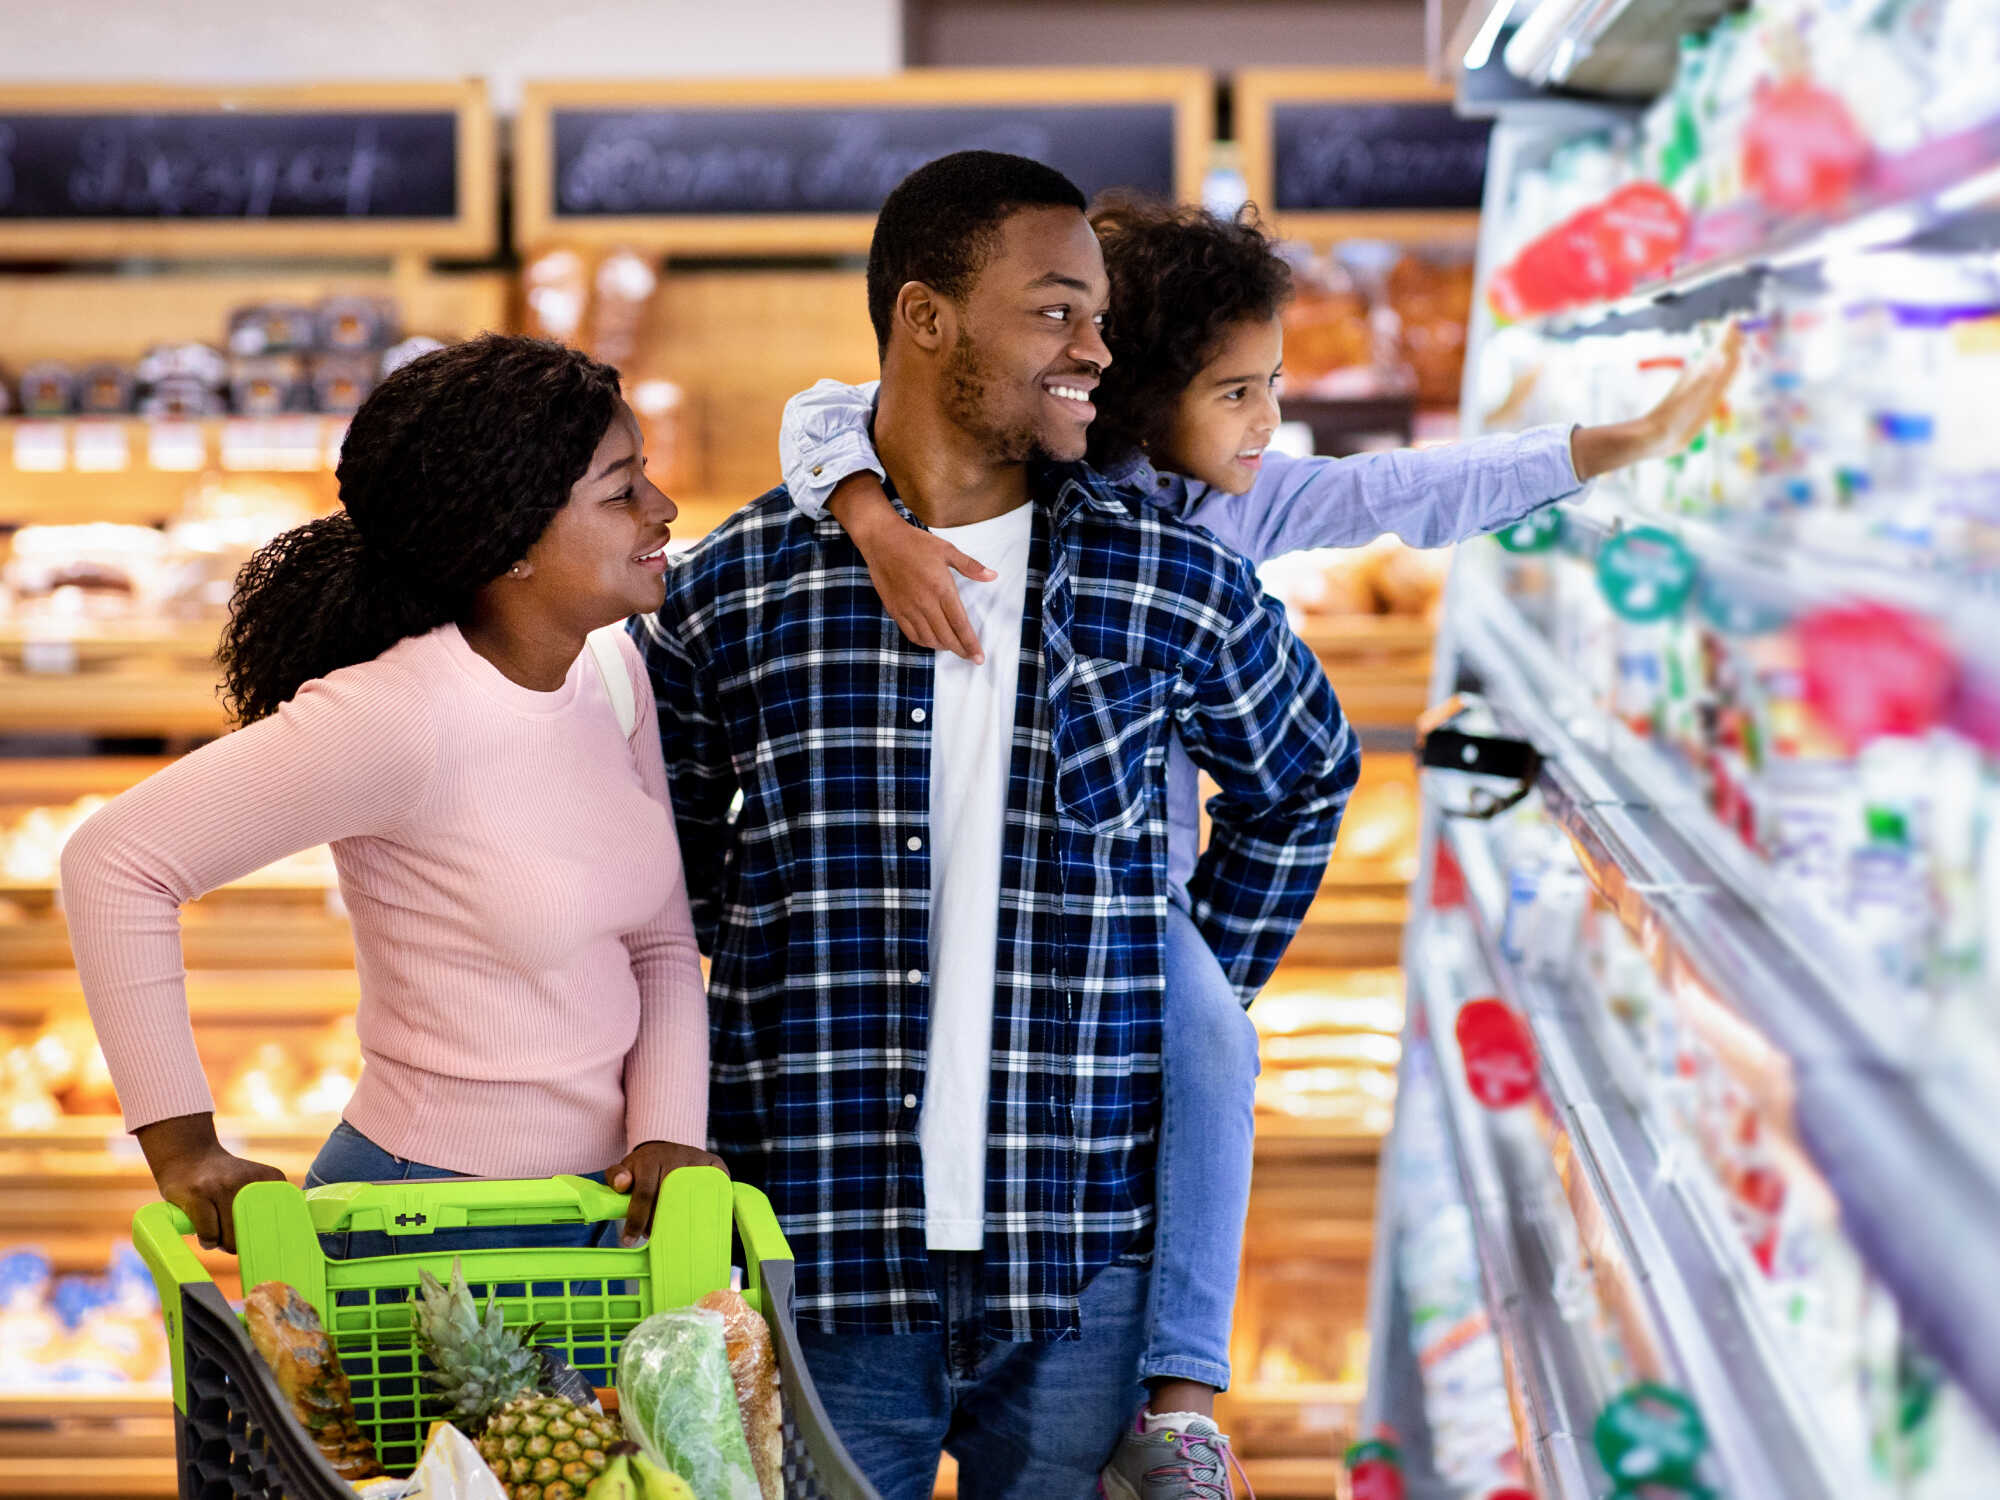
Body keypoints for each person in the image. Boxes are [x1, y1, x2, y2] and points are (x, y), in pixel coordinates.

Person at [774, 194, 1741, 1495]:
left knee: (1214, 1044)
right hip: (955, 893)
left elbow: (1403, 489)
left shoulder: (1233, 511)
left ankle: (1178, 1392)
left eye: (1271, 389)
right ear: (1135, 388)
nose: (1266, 422)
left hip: (1132, 899)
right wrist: (870, 518)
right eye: (1237, 393)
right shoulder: (1016, 471)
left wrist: (1606, 446)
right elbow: (823, 410)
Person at [634, 152, 1354, 1500]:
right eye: (1055, 313)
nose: (1097, 349)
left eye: (1101, 317)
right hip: (821, 1252)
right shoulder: (737, 593)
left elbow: (1305, 773)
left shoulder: (1167, 579)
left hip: (1078, 1256)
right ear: (926, 319)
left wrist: (1180, 979)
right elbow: (657, 873)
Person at [62, 335, 718, 1259]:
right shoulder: (399, 715)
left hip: (603, 1216)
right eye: (620, 492)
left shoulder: (610, 673)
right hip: (426, 1225)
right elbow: (113, 862)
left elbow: (658, 941)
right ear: (513, 545)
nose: (662, 509)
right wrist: (183, 1148)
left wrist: (669, 1139)